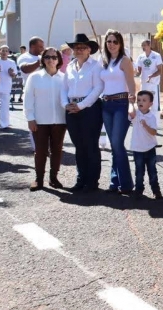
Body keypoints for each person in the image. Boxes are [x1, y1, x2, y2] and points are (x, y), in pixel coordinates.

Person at [61, 34, 104, 192]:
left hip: (90, 109)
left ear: (89, 50)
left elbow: (98, 88)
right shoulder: (71, 66)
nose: (79, 50)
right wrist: (65, 104)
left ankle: (92, 182)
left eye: (83, 47)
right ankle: (81, 179)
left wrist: (82, 105)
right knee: (78, 146)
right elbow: (64, 88)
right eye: (76, 47)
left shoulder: (95, 66)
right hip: (72, 108)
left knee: (90, 145)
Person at [23, 47, 66, 191]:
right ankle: (38, 179)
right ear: (43, 59)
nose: (51, 60)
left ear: (59, 60)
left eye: (54, 57)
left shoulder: (64, 78)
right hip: (40, 121)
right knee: (40, 151)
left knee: (57, 150)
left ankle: (53, 178)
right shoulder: (34, 77)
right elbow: (28, 98)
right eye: (47, 57)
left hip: (60, 121)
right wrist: (30, 118)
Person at [100, 29, 137, 194]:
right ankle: (115, 182)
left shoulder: (124, 61)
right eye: (109, 41)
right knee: (114, 145)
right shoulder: (105, 62)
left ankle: (127, 184)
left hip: (121, 104)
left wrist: (131, 104)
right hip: (106, 105)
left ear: (120, 44)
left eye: (115, 41)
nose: (112, 44)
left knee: (117, 143)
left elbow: (131, 84)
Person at [128, 90, 162, 199]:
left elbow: (154, 132)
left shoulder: (151, 117)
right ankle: (139, 190)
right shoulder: (136, 114)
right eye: (139, 100)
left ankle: (156, 190)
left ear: (150, 104)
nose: (140, 102)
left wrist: (146, 126)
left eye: (144, 100)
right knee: (139, 172)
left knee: (152, 171)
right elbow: (131, 113)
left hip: (150, 148)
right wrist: (131, 103)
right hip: (137, 149)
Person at [134, 40, 163, 111]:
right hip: (144, 84)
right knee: (142, 104)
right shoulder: (140, 57)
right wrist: (134, 73)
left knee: (154, 105)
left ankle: (155, 120)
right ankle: (142, 120)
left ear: (149, 45)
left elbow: (160, 71)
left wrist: (152, 76)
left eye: (144, 45)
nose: (143, 47)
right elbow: (139, 71)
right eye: (142, 46)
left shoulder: (156, 56)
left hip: (154, 84)